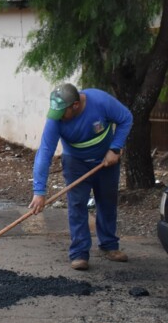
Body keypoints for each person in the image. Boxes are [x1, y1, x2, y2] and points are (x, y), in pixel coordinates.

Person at [28, 83, 133, 271]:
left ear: (75, 105)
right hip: (75, 162)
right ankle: (79, 253)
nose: (58, 116)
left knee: (107, 201)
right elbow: (45, 152)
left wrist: (115, 148)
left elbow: (126, 118)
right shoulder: (55, 119)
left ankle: (109, 245)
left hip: (106, 160)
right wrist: (39, 191)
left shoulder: (101, 101)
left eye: (62, 112)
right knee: (77, 204)